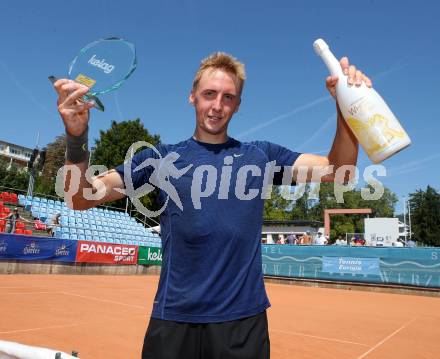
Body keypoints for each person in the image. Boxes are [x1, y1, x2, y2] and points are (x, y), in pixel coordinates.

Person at [53, 51, 370, 358]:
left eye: (228, 97)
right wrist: (76, 136)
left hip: (241, 326)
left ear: (238, 104)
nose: (217, 106)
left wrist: (345, 104)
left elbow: (337, 169)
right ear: (192, 96)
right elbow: (80, 198)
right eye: (209, 94)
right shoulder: (159, 159)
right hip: (174, 322)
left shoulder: (261, 157)